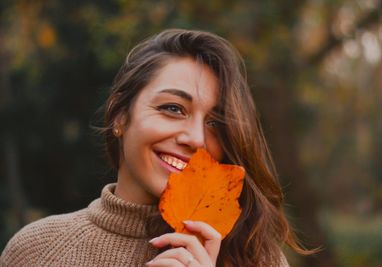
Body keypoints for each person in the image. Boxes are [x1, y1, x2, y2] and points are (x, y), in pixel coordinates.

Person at [1, 29, 311, 266]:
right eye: (173, 108)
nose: (196, 139)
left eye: (215, 123)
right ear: (120, 115)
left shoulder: (257, 258)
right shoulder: (37, 251)